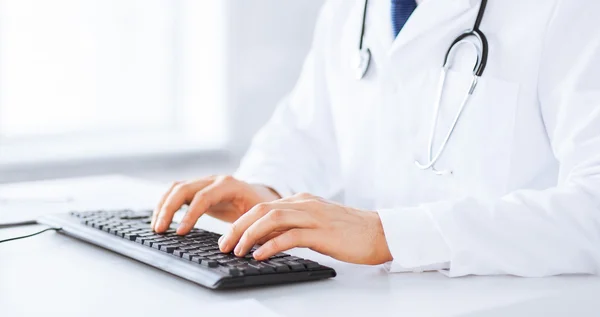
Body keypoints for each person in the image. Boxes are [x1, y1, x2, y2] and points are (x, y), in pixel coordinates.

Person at [152, 0, 600, 277]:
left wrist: (391, 235)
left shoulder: (572, 11)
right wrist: (266, 195)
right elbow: (305, 135)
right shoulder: (350, 10)